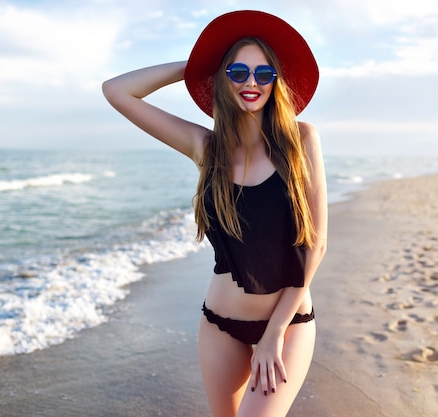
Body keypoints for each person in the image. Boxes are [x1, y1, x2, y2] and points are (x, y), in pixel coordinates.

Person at [102, 10, 327, 417]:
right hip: (220, 324)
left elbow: (317, 244)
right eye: (238, 72)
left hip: (289, 325)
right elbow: (117, 90)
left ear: (277, 81)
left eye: (263, 73)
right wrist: (203, 63)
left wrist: (274, 333)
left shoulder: (302, 140)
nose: (251, 83)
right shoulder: (205, 148)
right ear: (223, 78)